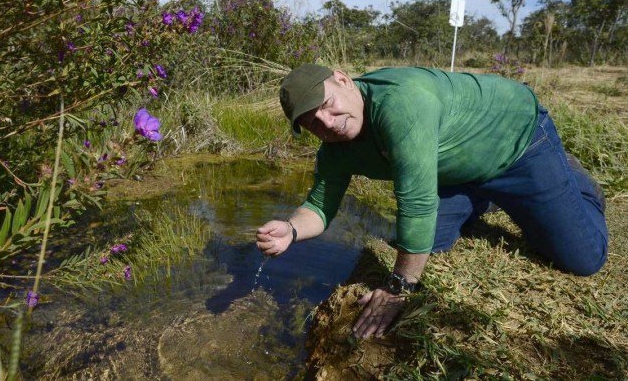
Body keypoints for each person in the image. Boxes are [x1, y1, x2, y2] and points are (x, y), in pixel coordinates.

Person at [255, 64, 608, 340]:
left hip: (517, 141)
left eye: (327, 106)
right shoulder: (334, 147)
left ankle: (575, 181)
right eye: (312, 123)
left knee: (583, 257)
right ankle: (482, 196)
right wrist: (290, 229)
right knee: (430, 243)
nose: (328, 123)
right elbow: (319, 206)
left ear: (344, 80)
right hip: (456, 169)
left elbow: (417, 203)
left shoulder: (401, 104)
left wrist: (399, 288)